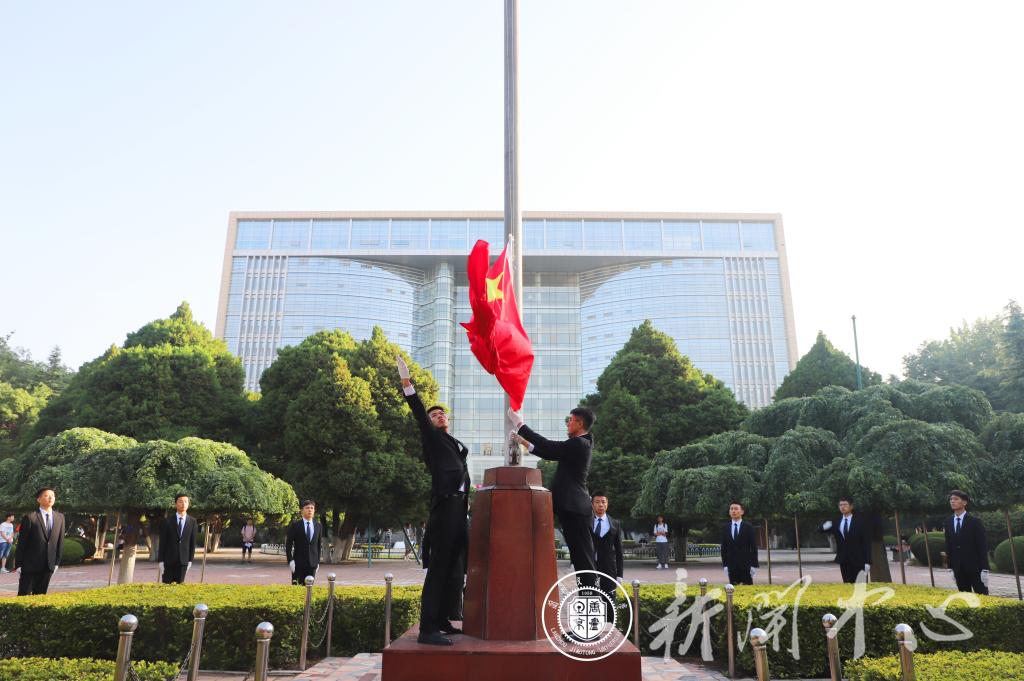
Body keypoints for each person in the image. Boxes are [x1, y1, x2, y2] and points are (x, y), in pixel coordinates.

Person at [398, 356, 469, 646]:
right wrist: (407, 383)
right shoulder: (432, 438)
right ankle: (428, 629)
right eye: (435, 414)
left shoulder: (452, 443)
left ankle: (441, 620)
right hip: (445, 508)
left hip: (459, 510)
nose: (440, 416)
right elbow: (418, 410)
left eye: (443, 414)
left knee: (453, 569)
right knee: (439, 569)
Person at [510, 406, 598, 583]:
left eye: (570, 420)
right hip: (573, 509)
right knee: (580, 560)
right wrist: (524, 442)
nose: (568, 423)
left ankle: (590, 599)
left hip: (576, 509)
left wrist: (520, 424)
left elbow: (549, 446)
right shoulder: (579, 444)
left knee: (583, 560)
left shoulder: (579, 443)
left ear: (580, 423)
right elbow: (549, 453)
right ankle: (588, 597)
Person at [15, 486, 65, 596]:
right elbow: (22, 543)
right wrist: (18, 564)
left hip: (48, 565)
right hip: (29, 565)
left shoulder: (60, 518)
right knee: (24, 596)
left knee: (40, 596)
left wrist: (56, 562)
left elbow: (60, 541)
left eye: (52, 496)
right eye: (46, 496)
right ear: (38, 499)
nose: (50, 498)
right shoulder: (30, 517)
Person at [944, 490, 989, 594]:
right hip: (958, 569)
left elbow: (982, 546)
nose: (952, 501)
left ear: (964, 502)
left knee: (982, 596)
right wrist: (950, 567)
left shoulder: (975, 522)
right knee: (965, 597)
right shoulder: (948, 522)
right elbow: (948, 545)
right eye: (951, 499)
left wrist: (985, 568)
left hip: (975, 568)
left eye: (956, 499)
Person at [820, 496, 871, 583]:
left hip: (859, 559)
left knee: (860, 585)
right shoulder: (836, 521)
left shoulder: (860, 521)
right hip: (843, 559)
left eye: (845, 504)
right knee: (847, 585)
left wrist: (867, 561)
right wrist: (824, 526)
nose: (842, 507)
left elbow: (866, 542)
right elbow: (821, 530)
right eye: (840, 505)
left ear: (851, 506)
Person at [591, 492, 624, 622]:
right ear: (592, 504)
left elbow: (619, 551)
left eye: (603, 502)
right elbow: (580, 544)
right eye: (597, 502)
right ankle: (591, 627)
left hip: (609, 568)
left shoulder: (615, 523)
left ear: (607, 504)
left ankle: (610, 628)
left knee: (609, 600)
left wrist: (619, 574)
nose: (601, 505)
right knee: (591, 598)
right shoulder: (586, 522)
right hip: (590, 566)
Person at [158, 493, 198, 584]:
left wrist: (190, 560)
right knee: (166, 586)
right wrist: (160, 561)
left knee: (180, 586)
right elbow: (162, 542)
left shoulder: (192, 521)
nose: (183, 504)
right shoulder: (167, 521)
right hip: (168, 561)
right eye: (180, 501)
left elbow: (192, 543)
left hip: (183, 561)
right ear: (176, 504)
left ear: (188, 504)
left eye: (186, 502)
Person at [720, 501, 759, 585]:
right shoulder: (725, 528)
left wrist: (754, 565)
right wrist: (725, 565)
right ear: (729, 512)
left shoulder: (748, 527)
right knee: (733, 590)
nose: (733, 511)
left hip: (746, 567)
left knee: (747, 590)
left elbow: (753, 547)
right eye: (731, 509)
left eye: (736, 509)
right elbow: (723, 548)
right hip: (731, 567)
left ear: (742, 512)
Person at [286, 500, 323, 586]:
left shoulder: (318, 526)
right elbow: (288, 544)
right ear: (302, 510)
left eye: (312, 508)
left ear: (314, 510)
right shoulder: (296, 525)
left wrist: (317, 562)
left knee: (309, 589)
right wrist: (290, 561)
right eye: (307, 508)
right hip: (298, 564)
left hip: (312, 564)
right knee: (297, 589)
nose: (310, 510)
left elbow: (318, 545)